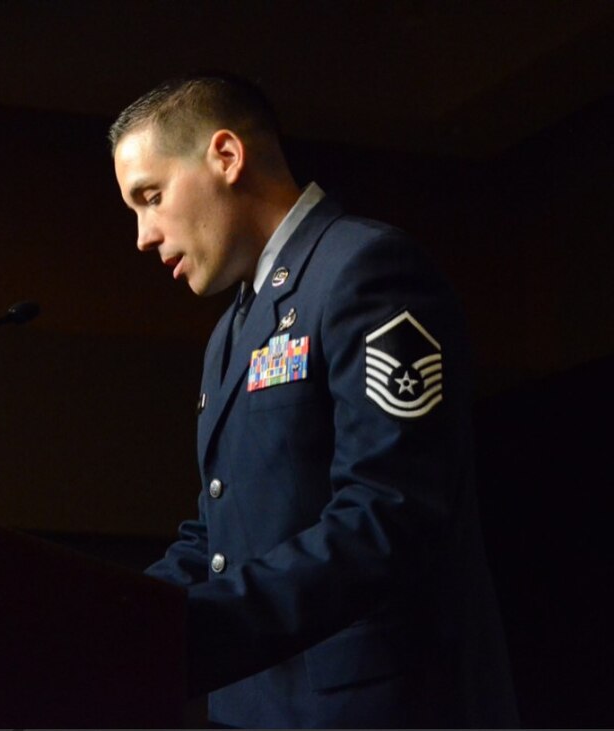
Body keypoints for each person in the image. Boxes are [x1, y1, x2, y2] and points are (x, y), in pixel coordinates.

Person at [110, 73, 518, 728]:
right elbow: (222, 533)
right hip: (251, 708)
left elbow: (389, 513)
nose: (143, 234)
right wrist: (110, 614)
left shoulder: (367, 271)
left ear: (226, 155)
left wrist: (198, 632)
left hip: (371, 709)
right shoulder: (230, 330)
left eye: (151, 197)